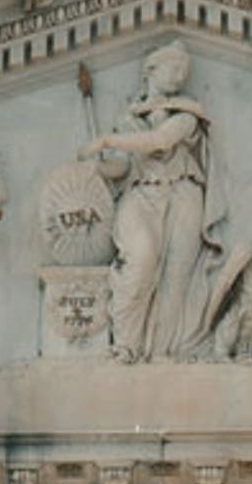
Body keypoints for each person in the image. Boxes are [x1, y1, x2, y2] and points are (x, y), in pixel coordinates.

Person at [85, 41, 216, 359]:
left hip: (183, 193)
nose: (180, 76)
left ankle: (161, 352)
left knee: (175, 278)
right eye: (174, 67)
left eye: (184, 70)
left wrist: (106, 139)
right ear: (151, 69)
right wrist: (93, 167)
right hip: (140, 194)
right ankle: (126, 345)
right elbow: (121, 165)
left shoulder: (187, 112)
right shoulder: (126, 116)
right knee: (140, 259)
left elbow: (160, 142)